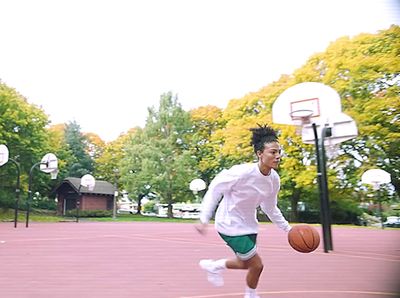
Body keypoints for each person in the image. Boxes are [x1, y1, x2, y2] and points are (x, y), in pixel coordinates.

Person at [195, 124, 292, 298]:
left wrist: (288, 229)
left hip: (249, 225)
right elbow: (215, 189)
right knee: (257, 265)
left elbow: (270, 207)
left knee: (245, 263)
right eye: (273, 152)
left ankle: (213, 266)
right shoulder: (241, 173)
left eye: (279, 152)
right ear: (259, 154)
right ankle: (251, 295)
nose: (277, 156)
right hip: (229, 224)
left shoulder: (274, 180)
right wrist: (204, 218)